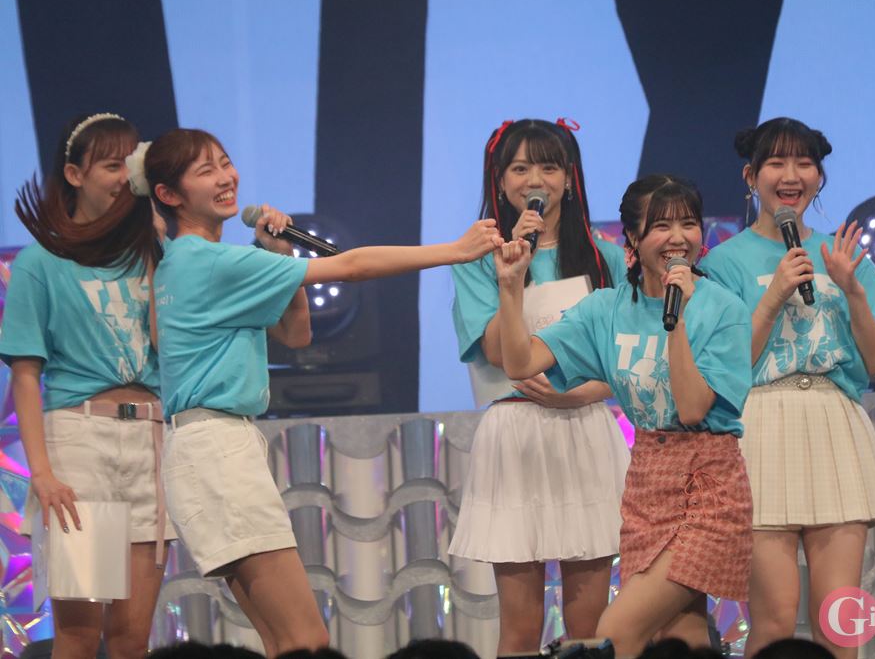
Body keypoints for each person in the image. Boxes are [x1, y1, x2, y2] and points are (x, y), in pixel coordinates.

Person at [108, 127, 502, 656]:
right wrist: (455, 250)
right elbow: (352, 266)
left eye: (225, 162)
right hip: (217, 452)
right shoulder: (211, 262)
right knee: (306, 640)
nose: (226, 177)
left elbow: (296, 335)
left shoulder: (187, 261)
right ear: (168, 195)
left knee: (284, 641)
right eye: (206, 171)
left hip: (206, 451)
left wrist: (279, 252)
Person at [492, 175, 753, 656]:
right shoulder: (606, 309)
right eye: (662, 226)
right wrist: (511, 287)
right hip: (646, 487)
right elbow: (520, 363)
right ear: (632, 237)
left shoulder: (724, 309)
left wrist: (677, 321)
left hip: (708, 487)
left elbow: (693, 408)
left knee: (613, 633)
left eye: (689, 224)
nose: (678, 238)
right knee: (680, 639)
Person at [699, 117, 875, 658]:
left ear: (818, 177)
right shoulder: (722, 264)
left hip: (834, 422)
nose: (791, 175)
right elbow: (726, 366)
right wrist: (773, 296)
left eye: (804, 163)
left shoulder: (843, 254)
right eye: (776, 163)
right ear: (751, 177)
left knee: (840, 619)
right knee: (774, 620)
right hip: (761, 426)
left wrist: (853, 290)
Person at [448, 119, 630, 653]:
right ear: (500, 180)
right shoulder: (479, 256)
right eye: (520, 168)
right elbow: (499, 354)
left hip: (587, 427)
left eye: (549, 167)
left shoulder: (605, 257)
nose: (536, 180)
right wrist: (512, 277)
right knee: (521, 629)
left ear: (569, 178)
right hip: (516, 431)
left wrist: (581, 394)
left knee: (589, 626)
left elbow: (627, 359)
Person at [0, 113, 173, 659]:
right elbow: (25, 375)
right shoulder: (41, 263)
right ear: (75, 175)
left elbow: (164, 343)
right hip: (80, 441)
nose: (125, 177)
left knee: (131, 639)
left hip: (150, 439)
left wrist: (158, 244)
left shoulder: (153, 254)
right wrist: (42, 473)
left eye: (131, 165)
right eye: (111, 165)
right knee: (78, 635)